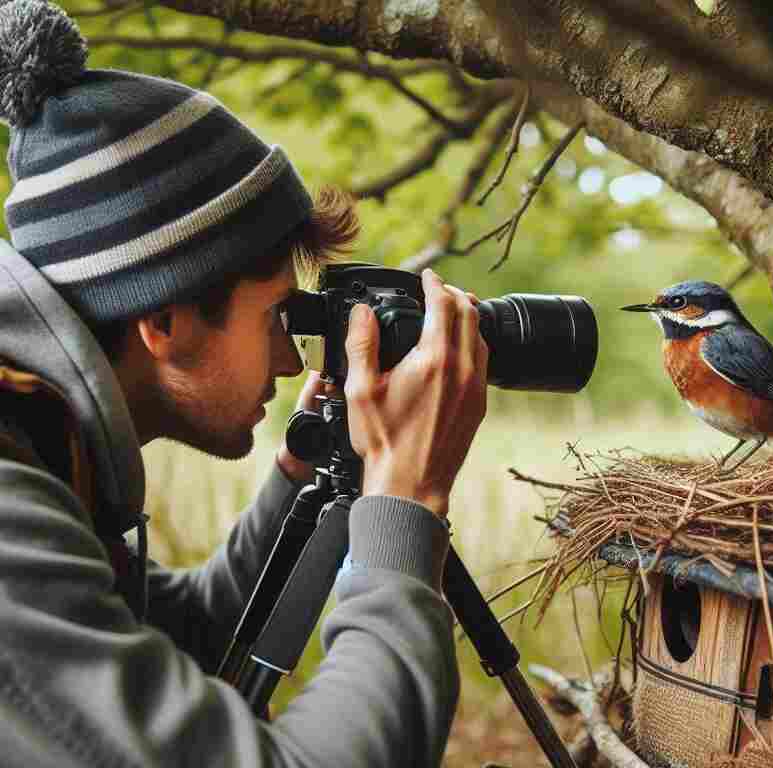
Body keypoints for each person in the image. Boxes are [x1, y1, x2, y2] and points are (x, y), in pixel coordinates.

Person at [0, 0, 488, 765]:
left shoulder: (36, 435)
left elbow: (177, 633)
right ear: (162, 319)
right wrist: (404, 505)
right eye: (274, 319)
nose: (293, 361)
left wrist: (302, 471)